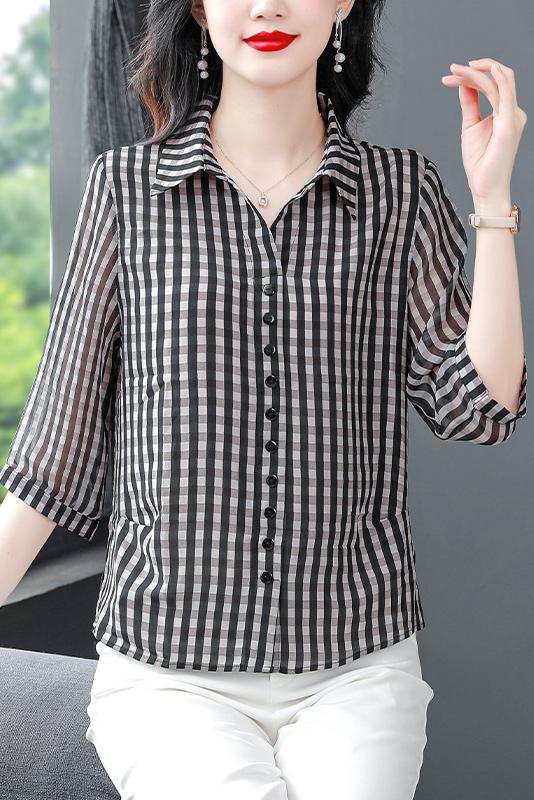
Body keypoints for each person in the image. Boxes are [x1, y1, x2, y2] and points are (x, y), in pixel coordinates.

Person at [0, 1, 527, 799]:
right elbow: (53, 452)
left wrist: (491, 204)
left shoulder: (400, 192)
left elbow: (479, 407)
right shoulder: (127, 193)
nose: (269, 5)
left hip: (357, 670)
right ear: (200, 6)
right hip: (167, 674)